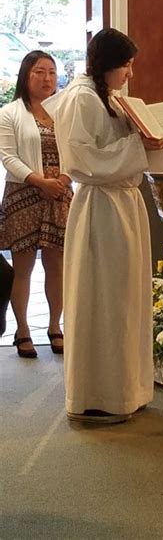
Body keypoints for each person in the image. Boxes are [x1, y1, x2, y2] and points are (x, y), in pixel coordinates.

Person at [53, 28, 163, 424]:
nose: (130, 73)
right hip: (99, 208)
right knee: (102, 298)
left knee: (124, 298)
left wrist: (157, 143)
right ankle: (98, 394)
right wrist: (139, 147)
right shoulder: (81, 98)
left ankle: (127, 389)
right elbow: (81, 160)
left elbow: (120, 148)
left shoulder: (110, 97)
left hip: (123, 204)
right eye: (126, 65)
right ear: (106, 64)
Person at [0, 51, 72, 358]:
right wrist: (40, 181)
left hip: (60, 194)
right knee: (24, 267)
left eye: (52, 72)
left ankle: (55, 326)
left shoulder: (64, 112)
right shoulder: (10, 112)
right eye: (39, 72)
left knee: (56, 265)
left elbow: (76, 150)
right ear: (25, 75)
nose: (47, 78)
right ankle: (23, 330)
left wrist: (64, 179)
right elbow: (8, 156)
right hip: (24, 195)